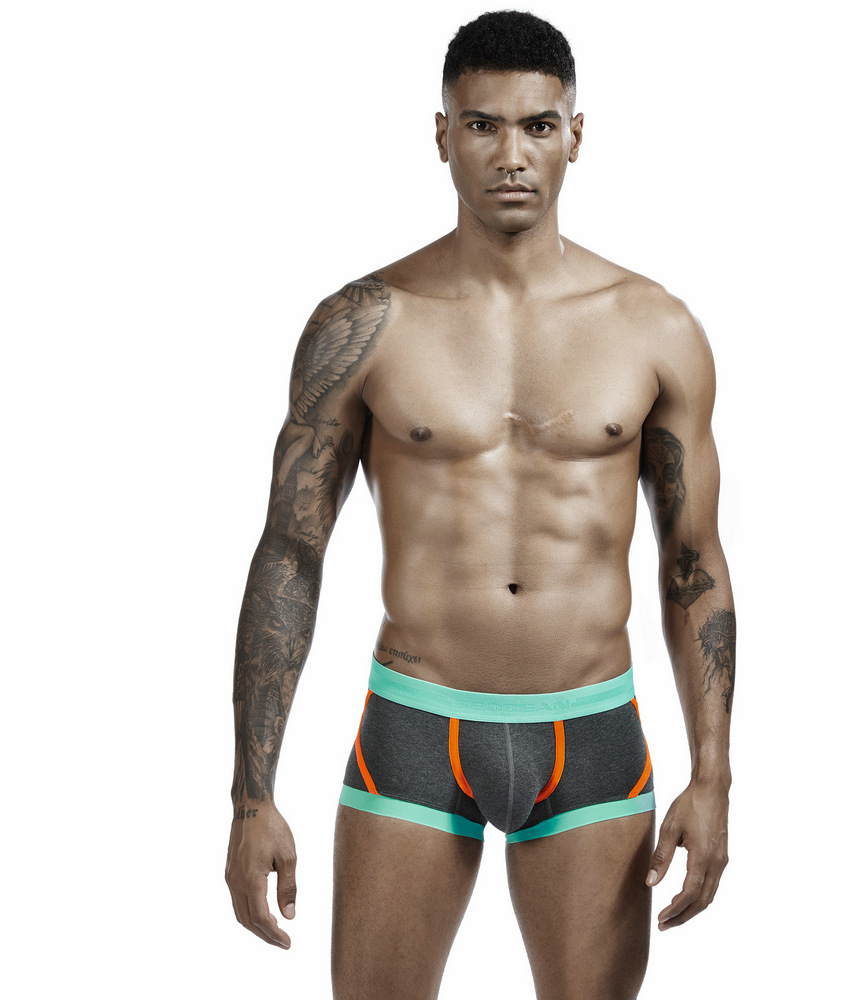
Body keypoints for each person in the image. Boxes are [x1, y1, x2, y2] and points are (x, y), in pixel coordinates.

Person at [225, 10, 735, 999]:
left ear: (575, 135)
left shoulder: (653, 328)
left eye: (537, 126)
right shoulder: (365, 324)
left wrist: (712, 777)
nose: (511, 154)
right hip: (417, 724)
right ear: (441, 134)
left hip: (591, 730)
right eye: (482, 125)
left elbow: (694, 562)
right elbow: (290, 551)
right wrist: (252, 797)